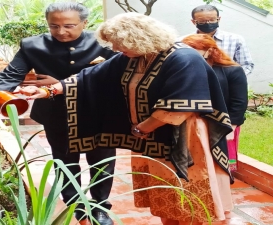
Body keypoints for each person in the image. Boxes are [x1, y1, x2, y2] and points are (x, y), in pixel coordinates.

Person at [20, 12, 234, 225]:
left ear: (138, 39)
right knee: (165, 197)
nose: (114, 49)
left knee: (187, 200)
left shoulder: (183, 58)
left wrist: (143, 128)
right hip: (151, 139)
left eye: (119, 43)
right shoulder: (136, 57)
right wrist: (48, 91)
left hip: (183, 137)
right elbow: (91, 77)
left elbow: (181, 105)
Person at [0, 2, 116, 224]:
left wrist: (57, 84)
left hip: (98, 111)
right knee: (65, 162)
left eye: (69, 25)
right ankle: (77, 207)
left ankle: (100, 207)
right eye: (53, 26)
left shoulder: (103, 43)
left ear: (84, 23)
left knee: (102, 161)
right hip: (57, 113)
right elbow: (10, 75)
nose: (61, 32)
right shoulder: (32, 45)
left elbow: (116, 76)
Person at [182, 34, 248, 172]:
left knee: (221, 163)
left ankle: (221, 187)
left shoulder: (233, 70)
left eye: (195, 50)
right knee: (200, 162)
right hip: (196, 122)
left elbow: (239, 102)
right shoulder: (187, 69)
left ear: (210, 50)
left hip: (223, 122)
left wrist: (231, 126)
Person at [190, 5, 254, 75]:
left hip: (227, 84)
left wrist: (234, 80)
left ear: (219, 19)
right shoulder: (183, 42)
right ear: (193, 22)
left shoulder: (235, 40)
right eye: (202, 21)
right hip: (196, 83)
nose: (208, 23)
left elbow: (247, 65)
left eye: (212, 20)